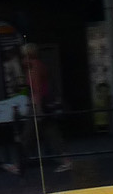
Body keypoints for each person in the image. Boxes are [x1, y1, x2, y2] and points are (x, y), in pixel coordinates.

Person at [4, 43, 70, 175]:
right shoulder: (39, 64)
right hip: (42, 105)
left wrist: (37, 108)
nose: (22, 58)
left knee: (27, 136)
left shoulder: (33, 67)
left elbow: (37, 89)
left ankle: (18, 165)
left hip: (36, 106)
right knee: (52, 133)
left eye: (23, 55)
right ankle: (66, 161)